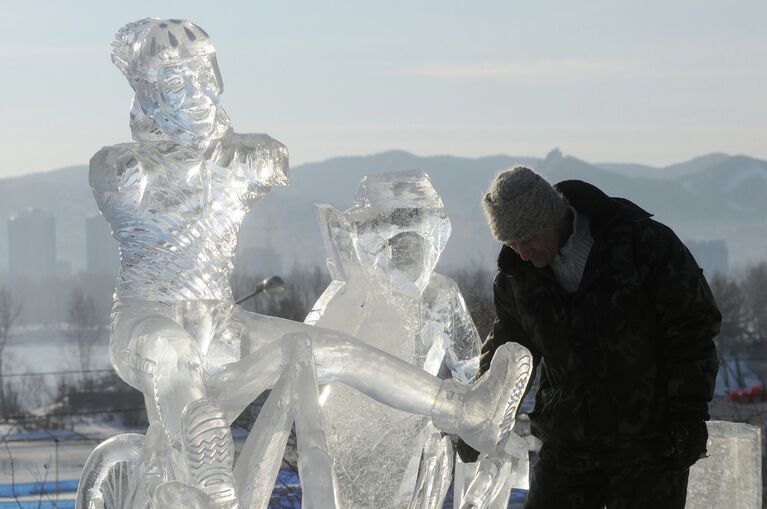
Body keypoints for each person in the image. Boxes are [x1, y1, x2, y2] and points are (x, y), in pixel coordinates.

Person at [89, 18, 530, 509]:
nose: (195, 93)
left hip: (220, 322)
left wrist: (226, 148)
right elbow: (174, 169)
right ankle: (211, 484)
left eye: (202, 76)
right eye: (175, 82)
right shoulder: (124, 169)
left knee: (329, 350)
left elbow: (265, 157)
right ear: (147, 95)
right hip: (145, 323)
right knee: (173, 352)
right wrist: (215, 151)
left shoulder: (239, 160)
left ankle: (466, 408)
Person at [460, 166, 721, 508]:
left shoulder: (641, 244)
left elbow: (692, 328)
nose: (521, 252)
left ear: (552, 219)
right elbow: (507, 355)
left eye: (527, 239)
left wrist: (688, 415)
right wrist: (478, 419)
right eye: (511, 243)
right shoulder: (516, 280)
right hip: (568, 444)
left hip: (650, 442)